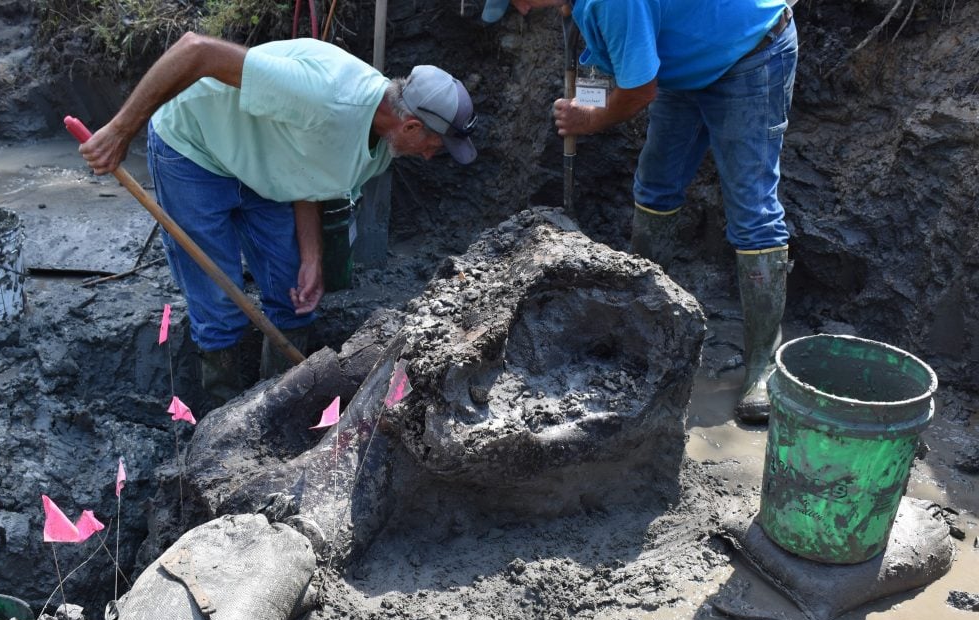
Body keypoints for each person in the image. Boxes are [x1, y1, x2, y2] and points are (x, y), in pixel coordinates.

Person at [79, 32, 477, 408]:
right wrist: (119, 130)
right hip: (196, 150)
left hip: (263, 164)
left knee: (295, 297)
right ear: (410, 125)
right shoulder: (324, 95)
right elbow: (196, 50)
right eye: (432, 145)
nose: (429, 156)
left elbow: (310, 171)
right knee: (219, 306)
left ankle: (277, 409)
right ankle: (223, 424)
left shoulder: (380, 140)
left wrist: (311, 257)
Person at [484, 0, 797, 424]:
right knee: (655, 187)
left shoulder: (612, 3)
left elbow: (640, 90)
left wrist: (591, 121)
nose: (520, 11)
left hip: (751, 51)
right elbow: (619, 69)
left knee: (751, 208)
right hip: (685, 66)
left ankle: (764, 366)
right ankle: (643, 322)